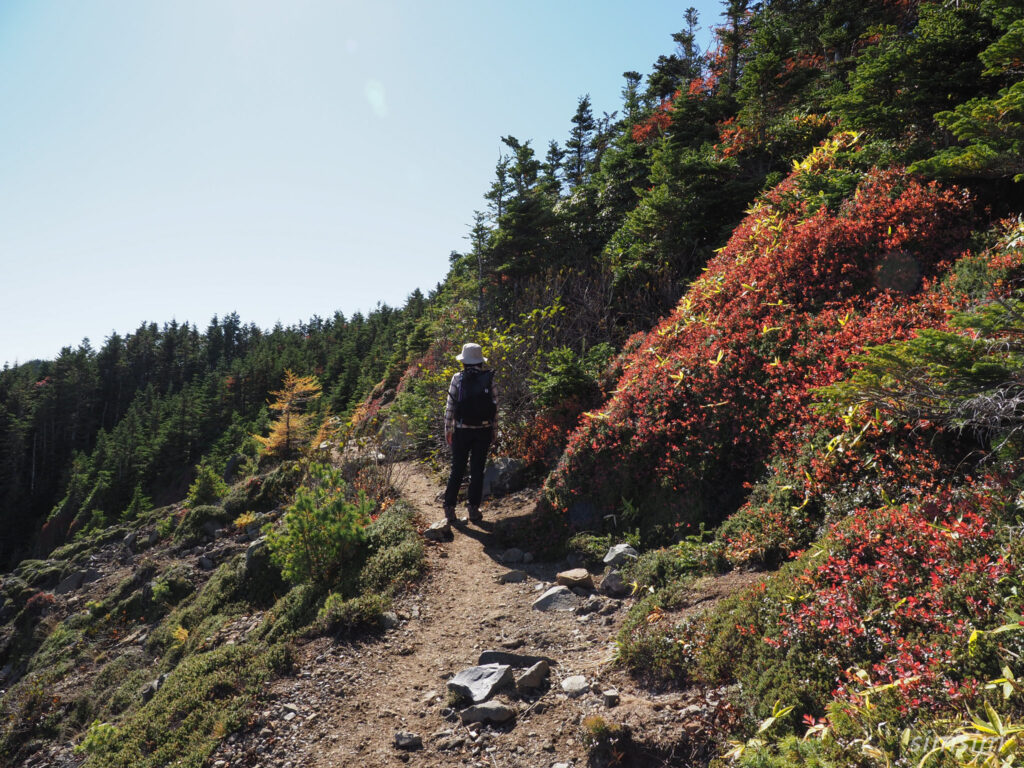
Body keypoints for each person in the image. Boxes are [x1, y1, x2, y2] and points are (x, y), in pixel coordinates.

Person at [443, 342, 497, 524]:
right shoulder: (489, 378)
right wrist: (494, 430)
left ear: (464, 361)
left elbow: (450, 406)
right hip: (483, 430)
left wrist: (448, 429)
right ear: (480, 360)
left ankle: (449, 508)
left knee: (457, 469)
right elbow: (495, 405)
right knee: (477, 470)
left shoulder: (457, 378)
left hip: (461, 430)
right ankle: (473, 509)